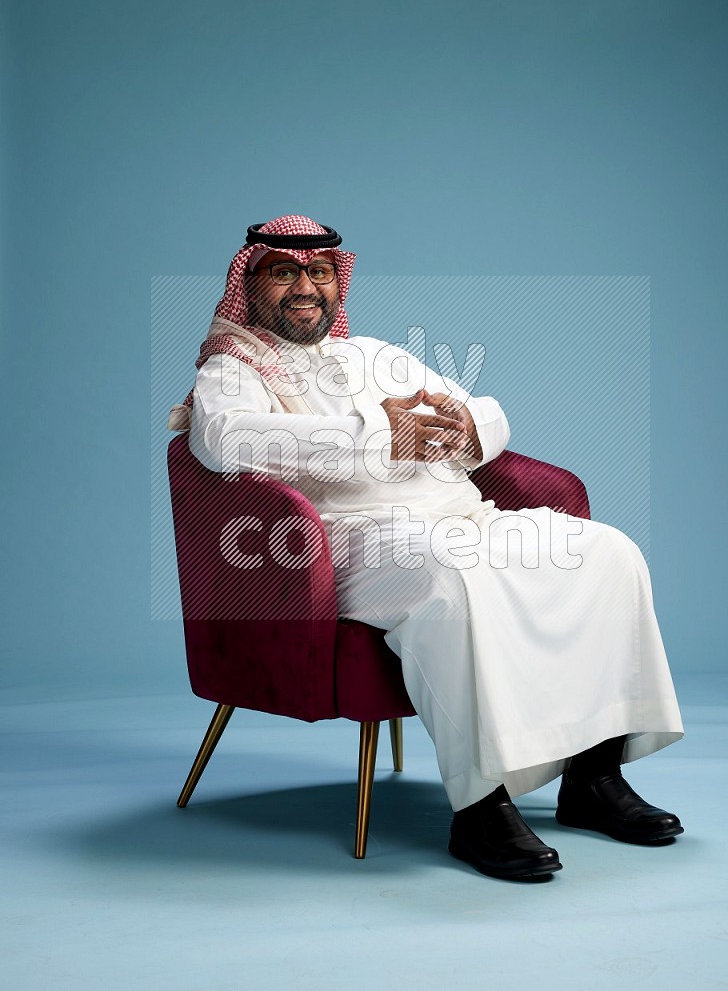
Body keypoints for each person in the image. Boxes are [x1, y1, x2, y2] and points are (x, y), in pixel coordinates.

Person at [169, 214, 685, 881]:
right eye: (285, 272)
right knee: (451, 575)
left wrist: (468, 425)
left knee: (607, 553)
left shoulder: (375, 354)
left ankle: (593, 777)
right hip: (344, 543)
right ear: (252, 281)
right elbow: (222, 443)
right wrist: (375, 436)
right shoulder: (230, 369)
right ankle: (480, 807)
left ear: (337, 281)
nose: (306, 286)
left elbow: (491, 414)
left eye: (319, 272)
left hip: (459, 513)